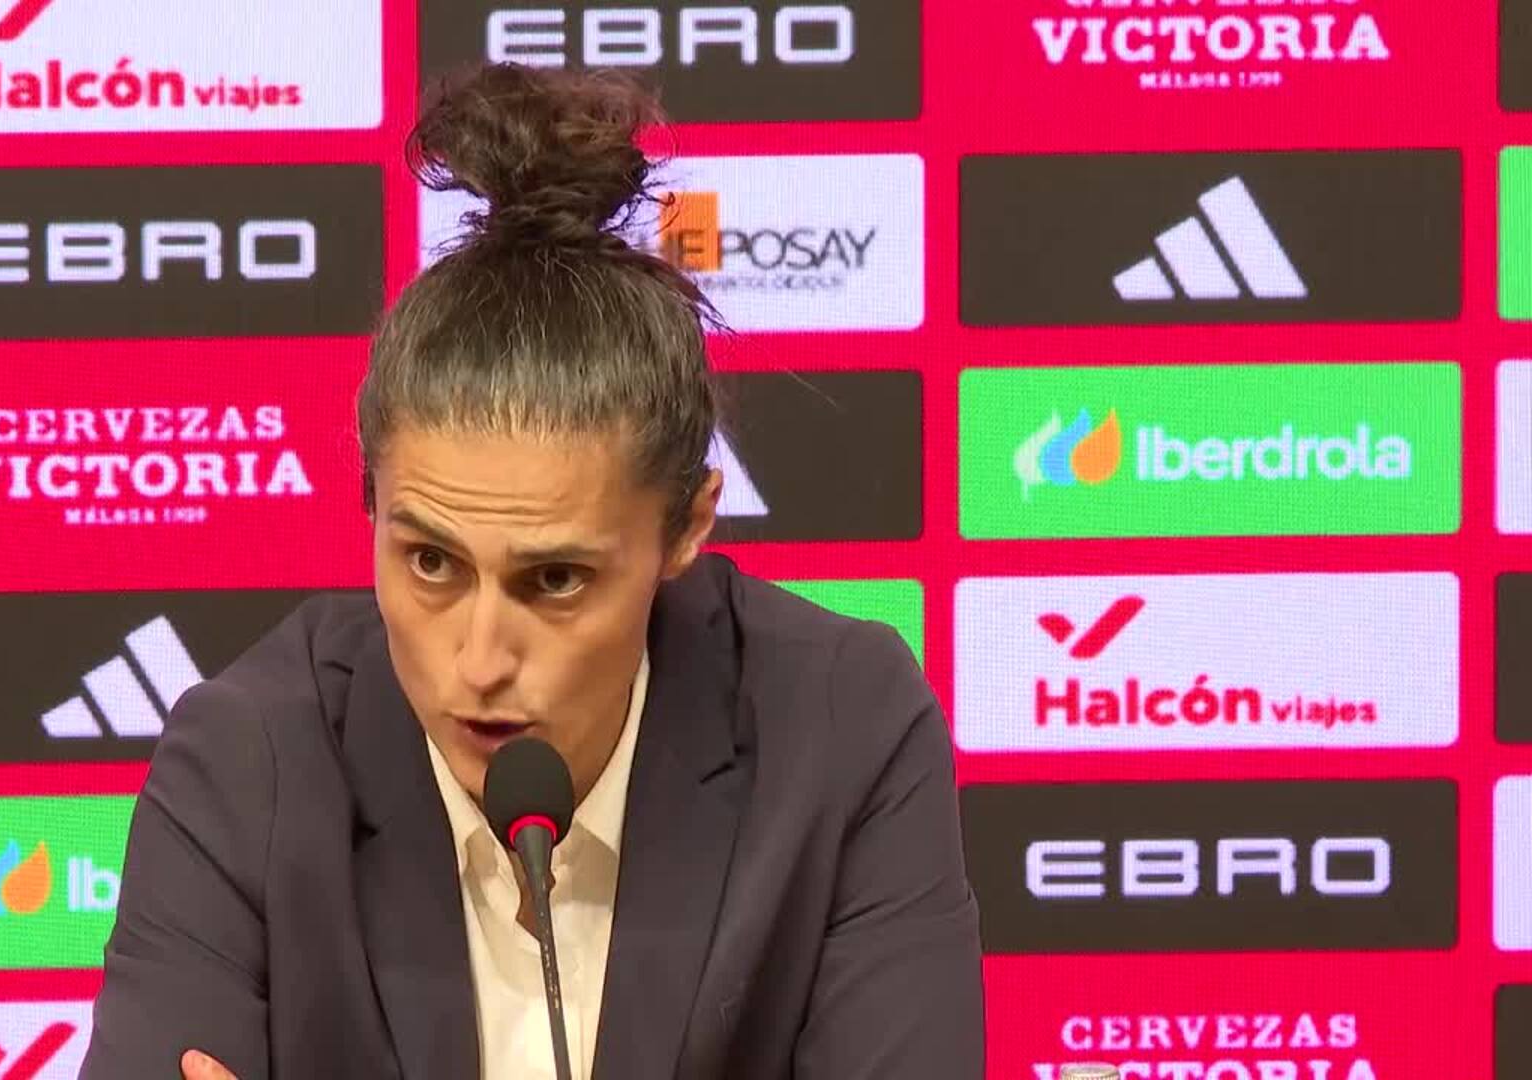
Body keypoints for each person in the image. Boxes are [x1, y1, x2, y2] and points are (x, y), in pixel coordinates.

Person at [78, 61, 984, 1080]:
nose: (479, 661)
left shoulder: (840, 732)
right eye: (430, 562)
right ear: (370, 504)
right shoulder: (248, 763)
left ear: (685, 531)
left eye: (554, 581)